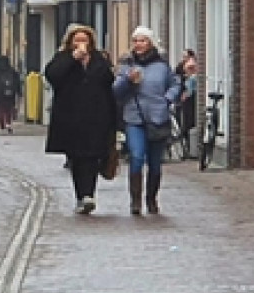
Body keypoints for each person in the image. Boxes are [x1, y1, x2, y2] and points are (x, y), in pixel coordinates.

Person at [43, 25, 118, 215]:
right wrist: (73, 60)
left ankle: (88, 195)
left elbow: (108, 81)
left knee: (92, 156)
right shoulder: (62, 58)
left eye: (85, 40)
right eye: (77, 40)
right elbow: (53, 76)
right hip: (71, 118)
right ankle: (81, 195)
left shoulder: (99, 60)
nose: (81, 44)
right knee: (77, 157)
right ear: (70, 42)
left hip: (96, 117)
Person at [114, 27, 180, 216]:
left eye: (142, 40)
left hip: (158, 118)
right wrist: (128, 80)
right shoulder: (127, 65)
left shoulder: (162, 65)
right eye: (135, 40)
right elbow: (116, 91)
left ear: (150, 43)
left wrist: (167, 99)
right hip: (134, 118)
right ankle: (135, 201)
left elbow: (175, 84)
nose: (138, 44)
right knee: (136, 156)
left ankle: (151, 198)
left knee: (155, 163)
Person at [0, 54, 21, 135]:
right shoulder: (13, 72)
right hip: (10, 94)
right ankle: (8, 124)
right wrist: (18, 92)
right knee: (9, 109)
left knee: (1, 109)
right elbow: (17, 83)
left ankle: (2, 125)